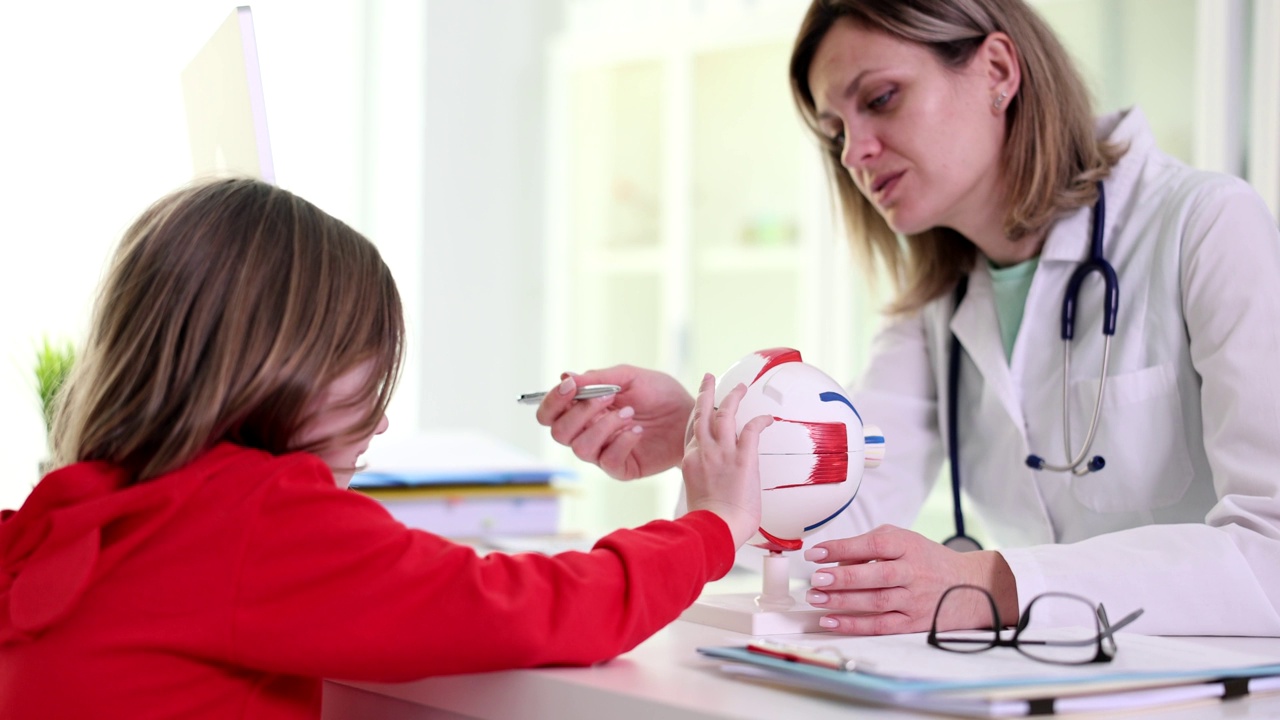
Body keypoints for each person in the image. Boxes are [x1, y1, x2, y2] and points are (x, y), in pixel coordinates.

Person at [536, 0, 1280, 638]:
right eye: (836, 132)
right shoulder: (937, 305)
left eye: (881, 99)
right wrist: (711, 434)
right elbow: (833, 534)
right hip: (1046, 689)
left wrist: (992, 582)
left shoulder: (1206, 227)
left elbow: (1271, 552)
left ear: (997, 71)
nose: (855, 153)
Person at [0, 177, 773, 719]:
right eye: (365, 389)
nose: (378, 426)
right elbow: (532, 611)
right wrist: (714, 524)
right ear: (286, 367)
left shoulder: (76, 512)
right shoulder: (252, 516)